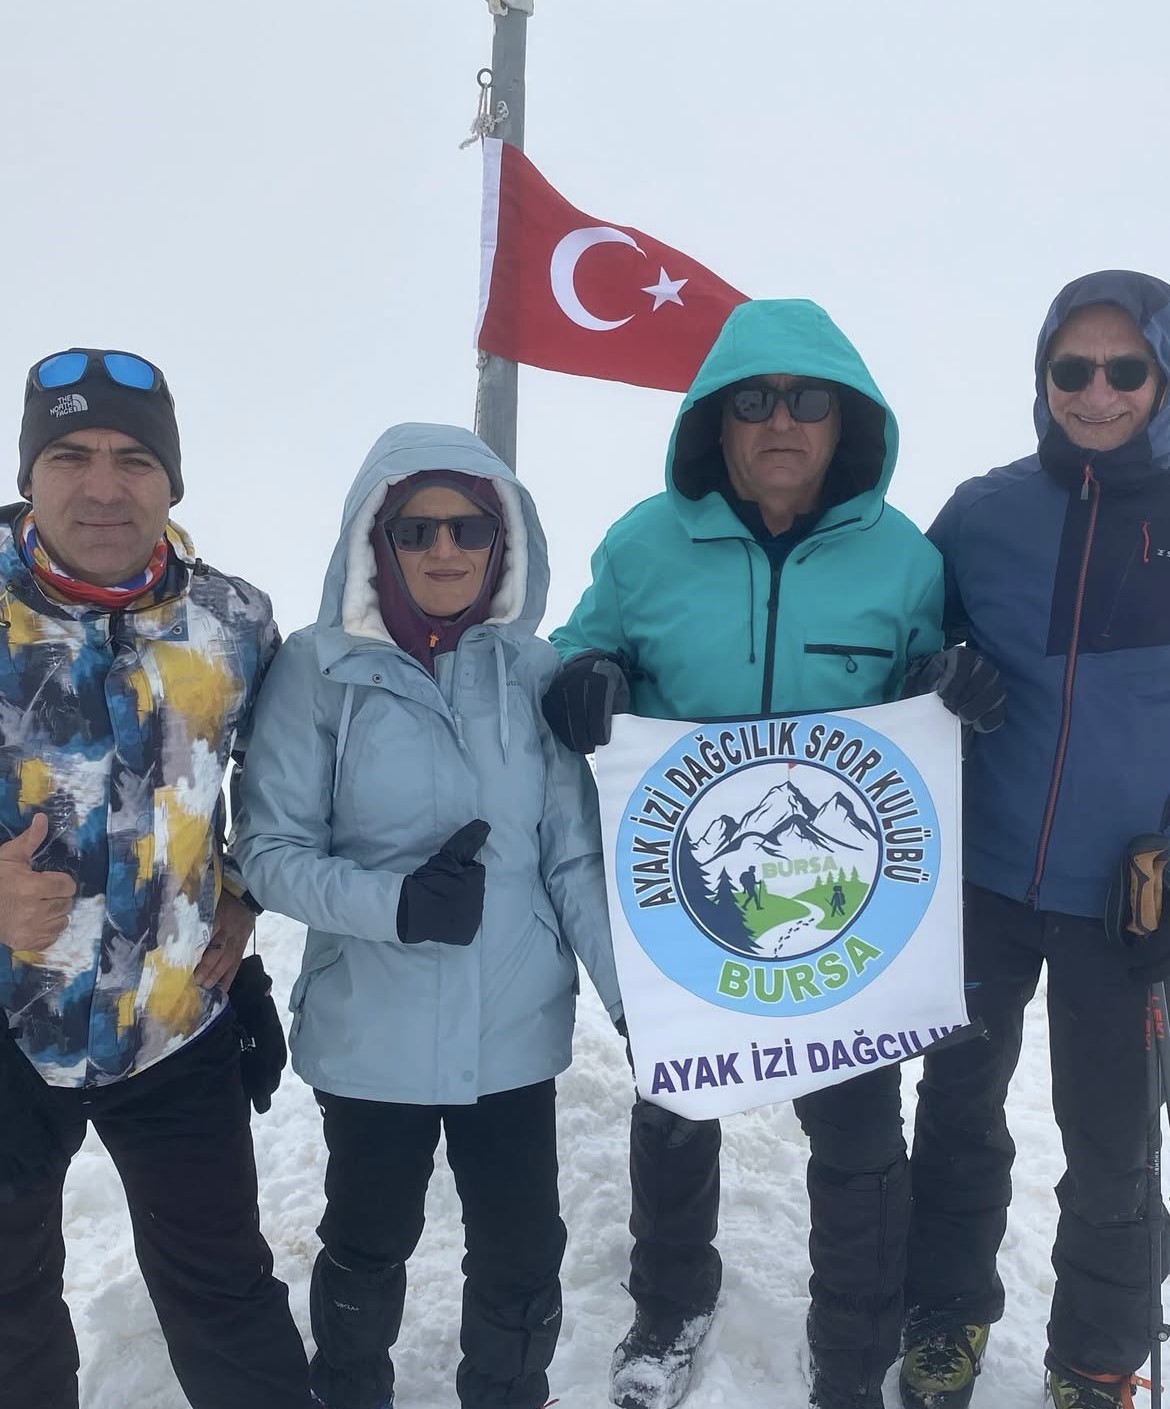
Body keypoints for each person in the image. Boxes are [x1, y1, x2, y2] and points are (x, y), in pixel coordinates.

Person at [541, 298, 1005, 1409]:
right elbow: (579, 640)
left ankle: (852, 1344)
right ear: (717, 421)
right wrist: (580, 676)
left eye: (810, 401)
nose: (782, 421)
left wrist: (961, 684)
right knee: (675, 1114)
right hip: (685, 905)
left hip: (843, 911)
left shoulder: (901, 558)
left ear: (849, 425)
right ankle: (668, 1304)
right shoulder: (645, 541)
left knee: (858, 1141)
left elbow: (925, 681)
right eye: (754, 400)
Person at [233, 422, 625, 1409]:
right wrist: (394, 903)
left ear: (504, 543)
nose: (444, 550)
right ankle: (350, 1386)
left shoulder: (533, 670)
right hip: (373, 1027)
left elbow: (572, 854)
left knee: (525, 1246)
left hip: (512, 1026)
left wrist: (639, 1000)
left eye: (468, 528)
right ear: (377, 539)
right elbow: (267, 853)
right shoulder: (317, 672)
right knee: (367, 1237)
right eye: (417, 530)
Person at [0, 348, 311, 1409]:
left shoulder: (235, 622)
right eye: (71, 455)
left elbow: (278, 791)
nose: (102, 484)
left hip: (172, 1020)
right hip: (10, 1021)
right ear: (28, 473)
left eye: (134, 458)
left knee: (226, 1288)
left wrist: (242, 888)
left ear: (171, 481)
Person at [898, 269, 1170, 1409]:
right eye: (1073, 369)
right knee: (957, 1113)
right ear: (1043, 378)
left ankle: (1097, 1359)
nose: (1096, 392)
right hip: (988, 876)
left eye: (1124, 369)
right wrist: (941, 675)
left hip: (1131, 897)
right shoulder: (983, 510)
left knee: (1113, 1144)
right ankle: (946, 1319)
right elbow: (904, 648)